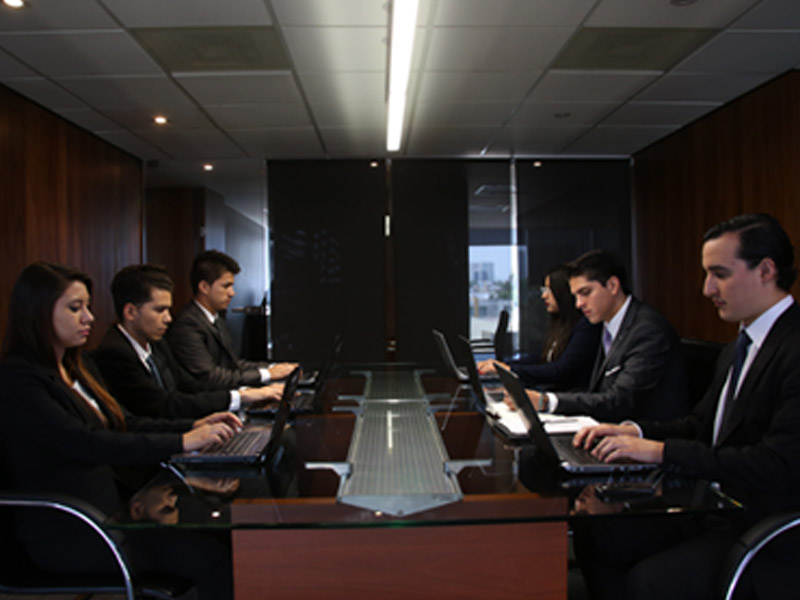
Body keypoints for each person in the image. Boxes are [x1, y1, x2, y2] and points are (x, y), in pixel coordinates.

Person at [572, 213, 800, 599]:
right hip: (714, 509)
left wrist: (661, 452)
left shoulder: (792, 348)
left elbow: (776, 465)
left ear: (766, 270)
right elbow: (700, 425)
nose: (707, 288)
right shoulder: (738, 347)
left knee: (651, 582)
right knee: (596, 531)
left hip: (766, 529)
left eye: (719, 274)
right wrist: (634, 432)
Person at [0, 261, 237, 600]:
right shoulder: (19, 380)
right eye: (75, 308)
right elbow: (86, 442)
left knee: (225, 533)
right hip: (73, 529)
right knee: (212, 557)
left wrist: (195, 425)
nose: (89, 318)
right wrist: (182, 441)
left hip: (112, 512)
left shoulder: (78, 366)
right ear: (37, 313)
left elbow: (125, 423)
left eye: (88, 307)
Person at [512, 249, 688, 422]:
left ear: (612, 286)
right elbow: (598, 392)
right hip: (612, 428)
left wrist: (547, 401)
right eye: (575, 296)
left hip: (642, 434)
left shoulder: (647, 330)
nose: (579, 304)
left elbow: (619, 400)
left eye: (585, 293)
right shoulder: (607, 325)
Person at [93, 264, 284, 419]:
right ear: (130, 312)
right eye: (160, 310)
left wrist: (243, 395)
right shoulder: (115, 353)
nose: (169, 318)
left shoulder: (156, 342)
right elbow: (164, 405)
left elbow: (189, 385)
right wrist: (238, 397)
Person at [168, 250, 296, 389]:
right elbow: (210, 377)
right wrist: (267, 374)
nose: (232, 293)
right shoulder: (187, 325)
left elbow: (234, 364)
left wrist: (274, 368)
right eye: (226, 286)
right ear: (204, 287)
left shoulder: (216, 319)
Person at [478, 264, 601, 391]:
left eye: (549, 290)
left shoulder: (586, 326)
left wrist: (508, 369)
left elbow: (560, 370)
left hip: (565, 397)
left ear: (564, 292)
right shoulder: (561, 325)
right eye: (544, 290)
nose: (543, 295)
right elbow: (542, 358)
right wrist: (503, 366)